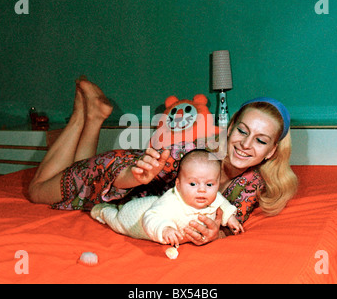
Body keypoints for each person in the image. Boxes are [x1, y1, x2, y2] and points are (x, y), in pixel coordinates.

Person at [28, 78, 298, 245]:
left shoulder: (252, 182)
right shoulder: (188, 152)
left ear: (272, 151)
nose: (246, 144)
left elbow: (229, 220)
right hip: (117, 174)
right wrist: (136, 177)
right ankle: (79, 115)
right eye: (242, 131)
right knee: (37, 190)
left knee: (75, 175)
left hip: (128, 198)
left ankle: (96, 116)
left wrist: (217, 234)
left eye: (261, 141)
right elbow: (134, 173)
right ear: (230, 129)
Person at [90, 149, 244, 246]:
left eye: (209, 185)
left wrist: (230, 218)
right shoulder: (171, 201)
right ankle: (102, 210)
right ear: (178, 185)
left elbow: (223, 204)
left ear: (217, 184)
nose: (202, 190)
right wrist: (165, 229)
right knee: (117, 220)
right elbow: (151, 216)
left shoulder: (214, 197)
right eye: (193, 184)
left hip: (151, 208)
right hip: (137, 218)